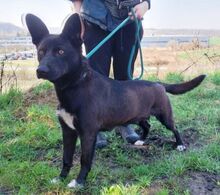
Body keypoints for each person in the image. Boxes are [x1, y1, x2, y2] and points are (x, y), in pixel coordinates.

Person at [69, 0, 151, 148]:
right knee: (95, 80)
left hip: (129, 20)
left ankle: (124, 122)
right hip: (94, 18)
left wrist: (146, 4)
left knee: (125, 77)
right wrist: (78, 16)